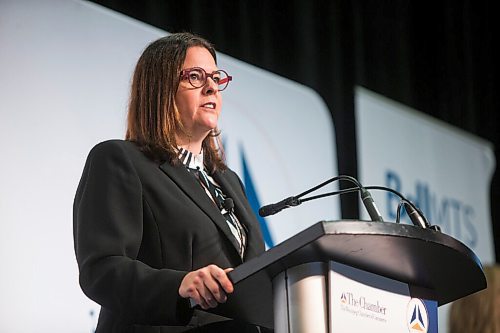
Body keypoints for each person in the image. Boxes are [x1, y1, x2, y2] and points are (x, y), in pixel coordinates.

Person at [73, 32, 268, 332]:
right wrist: (179, 286)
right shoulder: (120, 160)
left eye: (216, 78)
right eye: (195, 76)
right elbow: (101, 270)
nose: (211, 87)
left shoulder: (230, 181)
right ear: (160, 89)